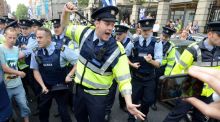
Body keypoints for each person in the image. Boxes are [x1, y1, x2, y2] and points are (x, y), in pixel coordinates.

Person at [62, 2, 145, 122]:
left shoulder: (117, 49)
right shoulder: (84, 32)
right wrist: (65, 13)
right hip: (79, 91)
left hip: (98, 97)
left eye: (112, 24)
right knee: (79, 118)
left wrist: (128, 102)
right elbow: (65, 28)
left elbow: (124, 79)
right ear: (97, 23)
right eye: (107, 24)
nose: (111, 28)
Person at [163, 21, 220, 122]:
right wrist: (179, 91)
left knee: (199, 119)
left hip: (208, 94)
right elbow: (177, 71)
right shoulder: (193, 50)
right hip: (190, 91)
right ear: (210, 34)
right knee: (175, 116)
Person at [30, 27, 78, 122]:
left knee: (63, 111)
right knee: (43, 110)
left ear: (49, 38)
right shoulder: (35, 52)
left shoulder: (62, 49)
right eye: (36, 37)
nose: (37, 40)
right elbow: (35, 70)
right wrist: (43, 86)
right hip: (45, 87)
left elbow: (78, 62)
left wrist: (70, 75)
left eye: (40, 37)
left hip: (60, 86)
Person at [128, 18, 163, 122]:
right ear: (140, 29)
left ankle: (143, 115)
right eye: (144, 30)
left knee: (148, 100)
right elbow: (124, 56)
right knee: (133, 99)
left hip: (149, 78)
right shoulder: (133, 41)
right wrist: (132, 64)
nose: (146, 32)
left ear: (152, 30)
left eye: (148, 30)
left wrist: (151, 61)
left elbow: (158, 64)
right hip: (136, 77)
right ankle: (131, 117)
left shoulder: (157, 43)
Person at [0, 27, 30, 122]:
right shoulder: (1, 49)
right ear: (5, 36)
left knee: (24, 105)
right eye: (10, 37)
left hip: (18, 84)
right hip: (6, 86)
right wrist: (19, 73)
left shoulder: (16, 49)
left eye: (14, 38)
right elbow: (5, 68)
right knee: (7, 108)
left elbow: (19, 60)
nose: (12, 40)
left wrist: (29, 50)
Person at [105, 24, 134, 121]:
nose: (117, 36)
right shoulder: (113, 41)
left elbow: (127, 58)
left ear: (126, 33)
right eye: (116, 34)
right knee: (111, 93)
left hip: (124, 72)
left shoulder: (130, 44)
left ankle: (123, 105)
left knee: (123, 92)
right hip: (113, 73)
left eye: (120, 34)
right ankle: (107, 111)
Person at [152, 27, 177, 111]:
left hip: (161, 69)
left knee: (156, 87)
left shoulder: (171, 46)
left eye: (166, 36)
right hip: (151, 66)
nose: (164, 37)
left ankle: (153, 102)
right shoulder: (155, 41)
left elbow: (170, 62)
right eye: (163, 35)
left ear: (169, 37)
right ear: (161, 34)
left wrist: (166, 75)